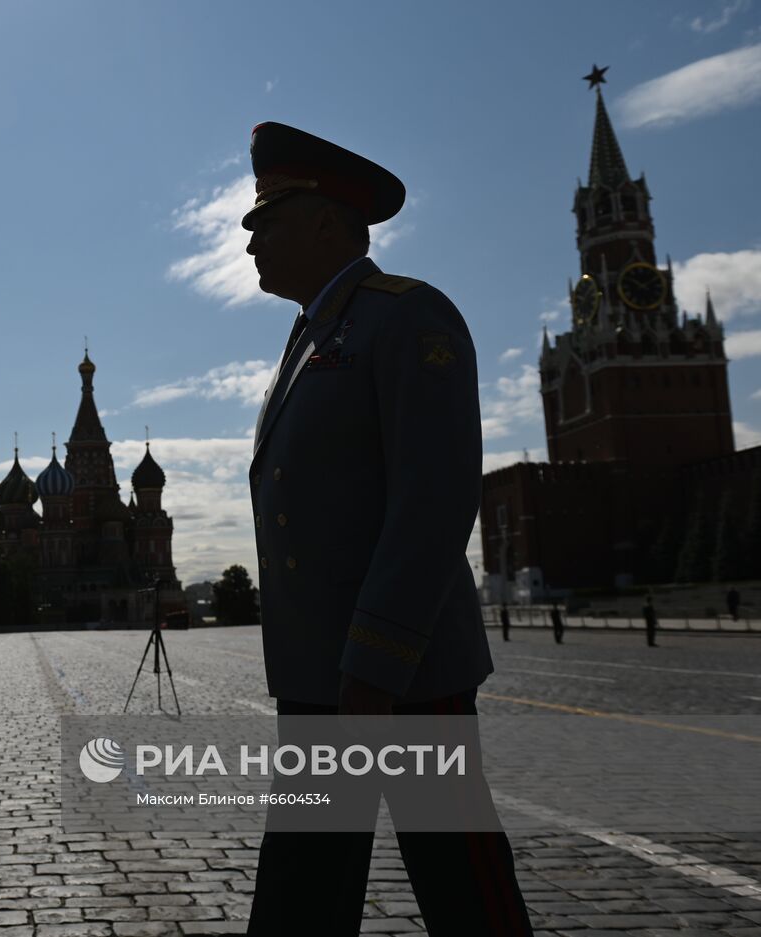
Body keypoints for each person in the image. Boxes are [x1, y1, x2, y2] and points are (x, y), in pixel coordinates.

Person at [241, 121, 532, 935]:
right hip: (323, 680)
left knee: (464, 888)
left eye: (269, 220)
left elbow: (432, 498)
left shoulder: (407, 319)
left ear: (328, 221)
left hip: (402, 676)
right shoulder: (311, 339)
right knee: (301, 892)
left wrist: (376, 658)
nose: (252, 238)